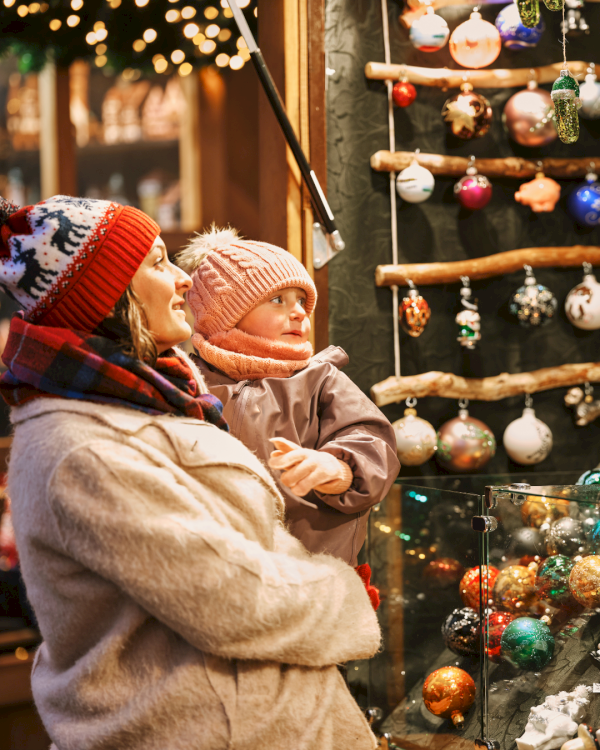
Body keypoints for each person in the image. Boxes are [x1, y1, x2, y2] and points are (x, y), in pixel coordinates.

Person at [0, 195, 381, 750]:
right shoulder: (83, 448)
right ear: (108, 295)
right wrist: (344, 594)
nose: (182, 280)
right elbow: (231, 599)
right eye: (157, 264)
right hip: (209, 729)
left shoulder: (154, 399)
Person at [177, 227, 400, 567]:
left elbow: (372, 440)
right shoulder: (190, 380)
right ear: (227, 315)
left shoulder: (320, 378)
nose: (298, 312)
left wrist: (339, 468)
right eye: (278, 300)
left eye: (301, 302)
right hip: (212, 568)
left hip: (314, 573)